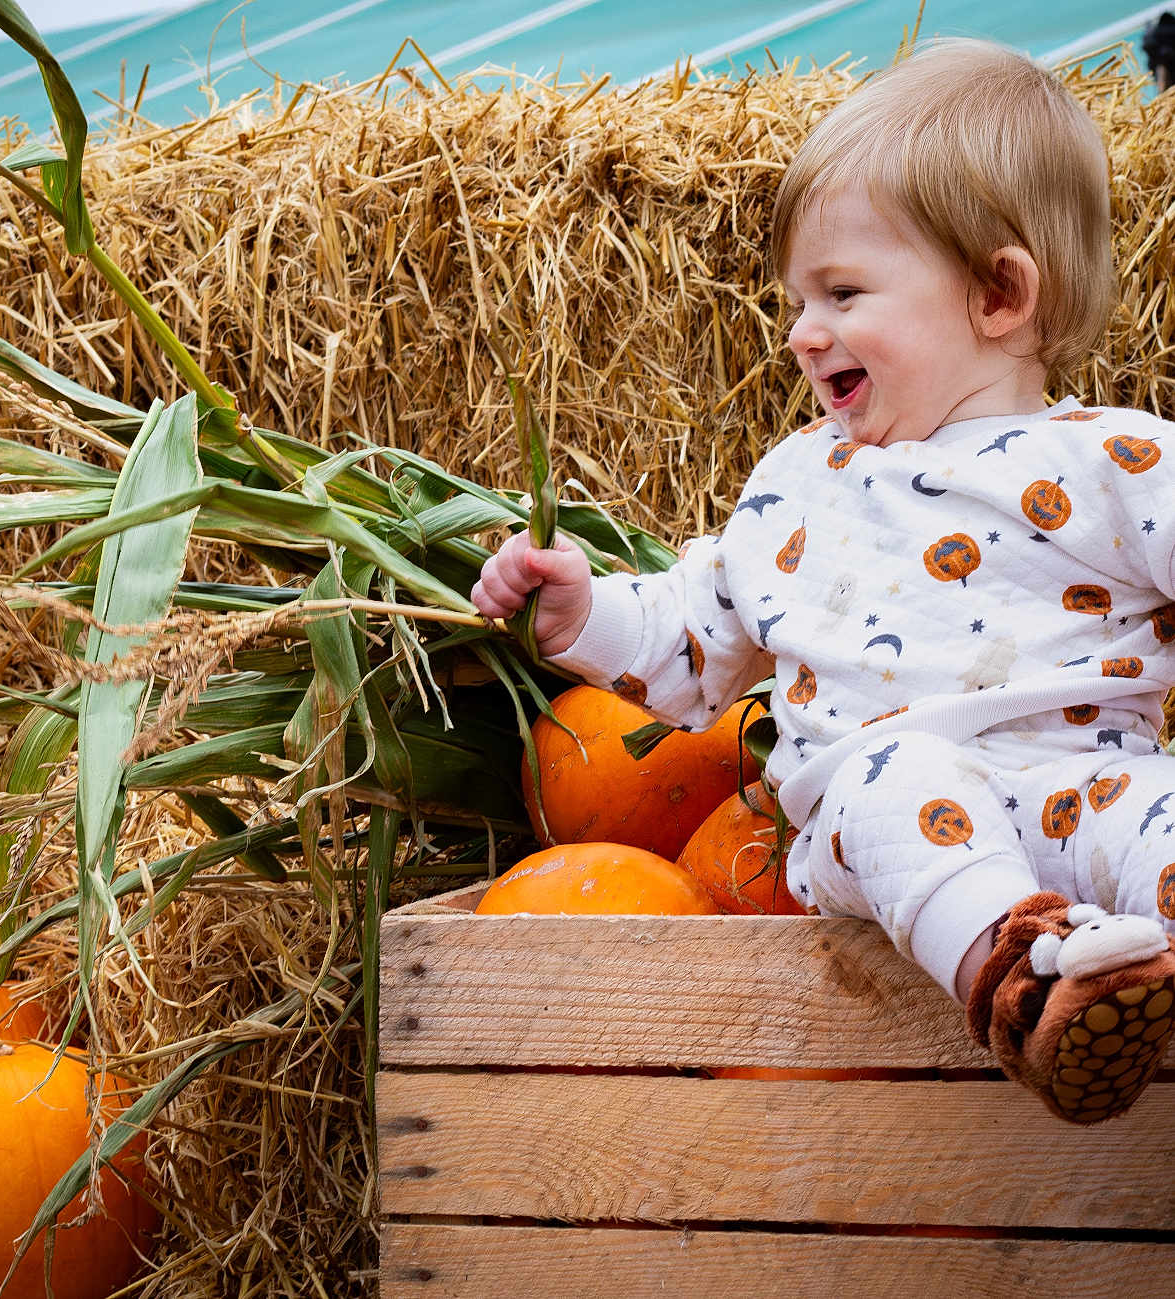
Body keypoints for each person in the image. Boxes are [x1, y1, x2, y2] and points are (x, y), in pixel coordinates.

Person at [472, 38, 1175, 1125]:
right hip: (894, 827)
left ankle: (1130, 966)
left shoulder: (1117, 462)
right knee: (889, 783)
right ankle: (1033, 992)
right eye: (798, 299)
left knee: (1158, 812)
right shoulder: (800, 482)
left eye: (841, 293)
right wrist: (584, 611)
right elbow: (693, 647)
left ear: (999, 292)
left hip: (1088, 785)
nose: (803, 334)